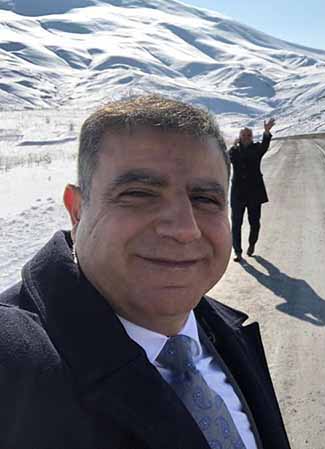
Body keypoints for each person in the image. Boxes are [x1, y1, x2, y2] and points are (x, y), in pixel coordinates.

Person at [0, 96, 290, 449]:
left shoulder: (224, 333)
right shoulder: (12, 367)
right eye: (139, 193)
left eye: (205, 199)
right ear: (77, 211)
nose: (184, 229)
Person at [229, 119, 275, 262]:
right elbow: (225, 158)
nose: (246, 137)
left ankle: (252, 244)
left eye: (248, 135)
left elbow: (265, 145)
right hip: (238, 193)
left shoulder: (257, 149)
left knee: (254, 222)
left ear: (252, 137)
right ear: (239, 136)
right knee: (236, 223)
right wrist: (232, 145)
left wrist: (266, 132)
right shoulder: (234, 150)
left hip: (254, 192)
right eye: (243, 135)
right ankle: (237, 251)